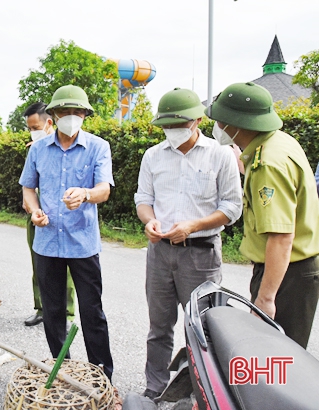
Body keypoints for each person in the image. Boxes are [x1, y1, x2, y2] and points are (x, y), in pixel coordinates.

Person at [134, 87, 243, 400]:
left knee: (203, 328)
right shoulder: (153, 156)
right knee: (159, 326)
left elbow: (232, 207)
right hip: (160, 253)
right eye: (166, 126)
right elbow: (143, 199)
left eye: (178, 125)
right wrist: (149, 221)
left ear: (197, 120)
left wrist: (195, 225)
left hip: (201, 254)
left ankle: (203, 393)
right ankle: (155, 389)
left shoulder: (220, 155)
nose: (172, 132)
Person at [205, 81, 319, 349]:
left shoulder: (267, 163)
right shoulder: (277, 143)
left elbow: (281, 237)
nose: (218, 126)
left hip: (287, 275)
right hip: (293, 270)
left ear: (236, 123)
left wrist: (267, 297)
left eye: (221, 120)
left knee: (277, 356)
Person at [19, 85, 114, 380]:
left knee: (91, 312)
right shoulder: (37, 149)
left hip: (82, 242)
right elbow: (28, 189)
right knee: (53, 312)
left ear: (85, 114)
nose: (71, 117)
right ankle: (63, 370)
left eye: (78, 112)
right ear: (55, 115)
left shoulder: (98, 147)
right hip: (47, 243)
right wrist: (34, 210)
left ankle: (102, 374)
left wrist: (85, 194)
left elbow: (104, 190)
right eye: (65, 112)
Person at [22, 102, 77, 329]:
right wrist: (31, 207)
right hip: (37, 216)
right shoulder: (32, 149)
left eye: (35, 126)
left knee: (68, 268)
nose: (32, 131)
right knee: (39, 266)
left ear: (49, 123)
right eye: (29, 128)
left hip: (66, 216)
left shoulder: (72, 148)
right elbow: (27, 184)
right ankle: (42, 308)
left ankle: (68, 312)